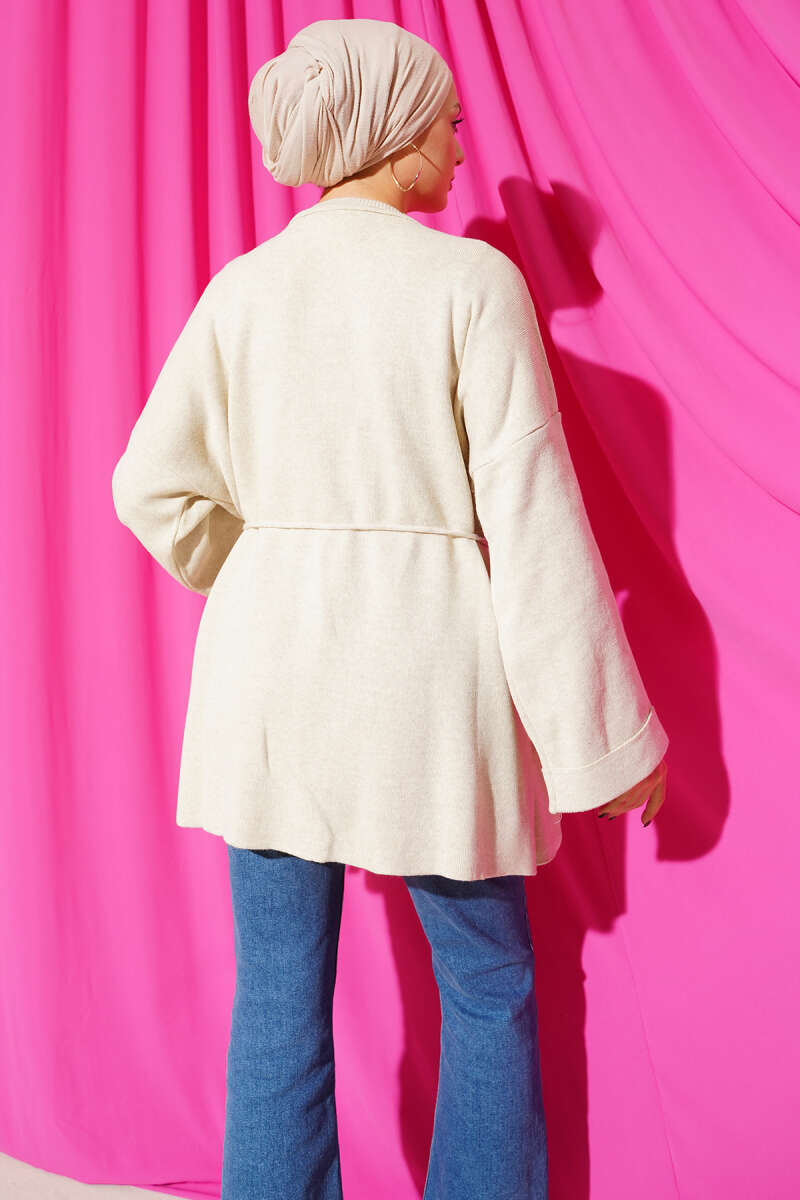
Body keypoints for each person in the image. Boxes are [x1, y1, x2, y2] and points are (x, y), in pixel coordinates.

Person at [111, 17, 668, 1198]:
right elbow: (534, 526)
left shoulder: (243, 291)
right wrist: (607, 744)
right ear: (392, 127)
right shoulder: (469, 285)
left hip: (265, 684)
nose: (461, 146)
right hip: (422, 682)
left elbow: (147, 485)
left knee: (276, 992)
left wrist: (263, 567)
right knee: (487, 984)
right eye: (446, 121)